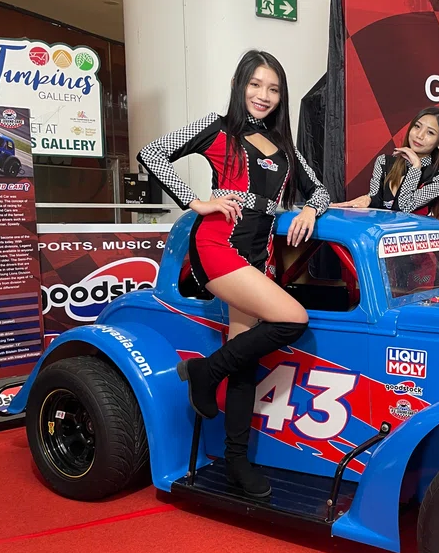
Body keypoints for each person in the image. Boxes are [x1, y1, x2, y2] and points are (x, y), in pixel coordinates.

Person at [137, 49, 331, 499]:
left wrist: (308, 207)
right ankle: (204, 374)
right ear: (240, 85)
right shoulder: (216, 126)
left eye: (273, 88)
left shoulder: (285, 147)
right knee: (293, 319)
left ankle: (236, 462)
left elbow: (319, 190)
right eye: (255, 84)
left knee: (243, 361)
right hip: (217, 245)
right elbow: (153, 153)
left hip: (259, 257)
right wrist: (194, 200)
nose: (263, 95)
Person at [334, 106, 439, 218]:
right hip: (380, 235)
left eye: (430, 132)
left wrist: (416, 167)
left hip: (412, 237)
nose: (419, 135)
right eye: (417, 126)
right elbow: (375, 199)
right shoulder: (384, 162)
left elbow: (404, 207)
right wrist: (367, 199)